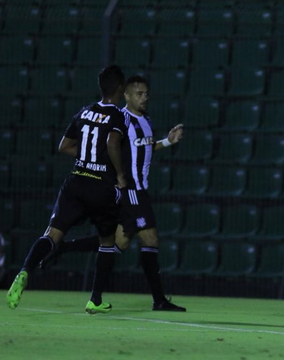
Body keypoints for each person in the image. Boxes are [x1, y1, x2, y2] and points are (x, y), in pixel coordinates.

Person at [42, 75, 186, 312]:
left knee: (118, 244)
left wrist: (168, 142)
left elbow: (144, 146)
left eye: (146, 93)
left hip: (138, 189)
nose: (144, 97)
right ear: (126, 95)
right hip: (131, 189)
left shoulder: (145, 120)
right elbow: (109, 148)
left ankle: (64, 248)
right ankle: (158, 300)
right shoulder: (122, 119)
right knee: (150, 239)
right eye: (138, 93)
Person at [6, 65, 128, 314]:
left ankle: (24, 271)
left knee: (52, 234)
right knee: (107, 241)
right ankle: (95, 299)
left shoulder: (84, 112)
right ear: (119, 88)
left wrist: (86, 155)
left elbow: (64, 146)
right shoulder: (117, 115)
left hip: (75, 181)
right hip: (100, 184)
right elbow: (113, 143)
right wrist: (120, 175)